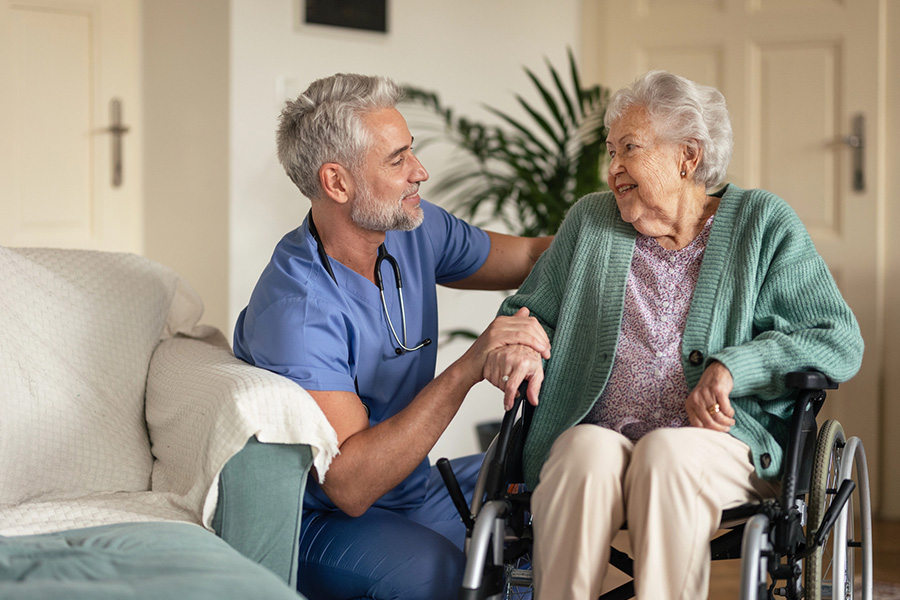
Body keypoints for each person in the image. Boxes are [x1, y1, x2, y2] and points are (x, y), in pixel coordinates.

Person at [484, 70, 864, 599]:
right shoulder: (590, 221)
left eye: (629, 149)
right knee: (578, 452)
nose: (613, 168)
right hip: (604, 432)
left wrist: (735, 366)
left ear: (689, 156)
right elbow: (529, 312)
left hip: (719, 446)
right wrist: (520, 344)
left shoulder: (763, 223)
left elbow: (836, 337)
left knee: (666, 454)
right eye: (611, 152)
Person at [232, 73, 552, 600]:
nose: (420, 173)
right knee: (439, 575)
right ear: (337, 183)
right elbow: (351, 486)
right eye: (397, 160)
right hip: (321, 521)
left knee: (555, 488)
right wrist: (472, 364)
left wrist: (624, 224)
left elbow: (529, 256)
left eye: (413, 153)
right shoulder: (298, 311)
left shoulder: (413, 230)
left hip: (412, 490)